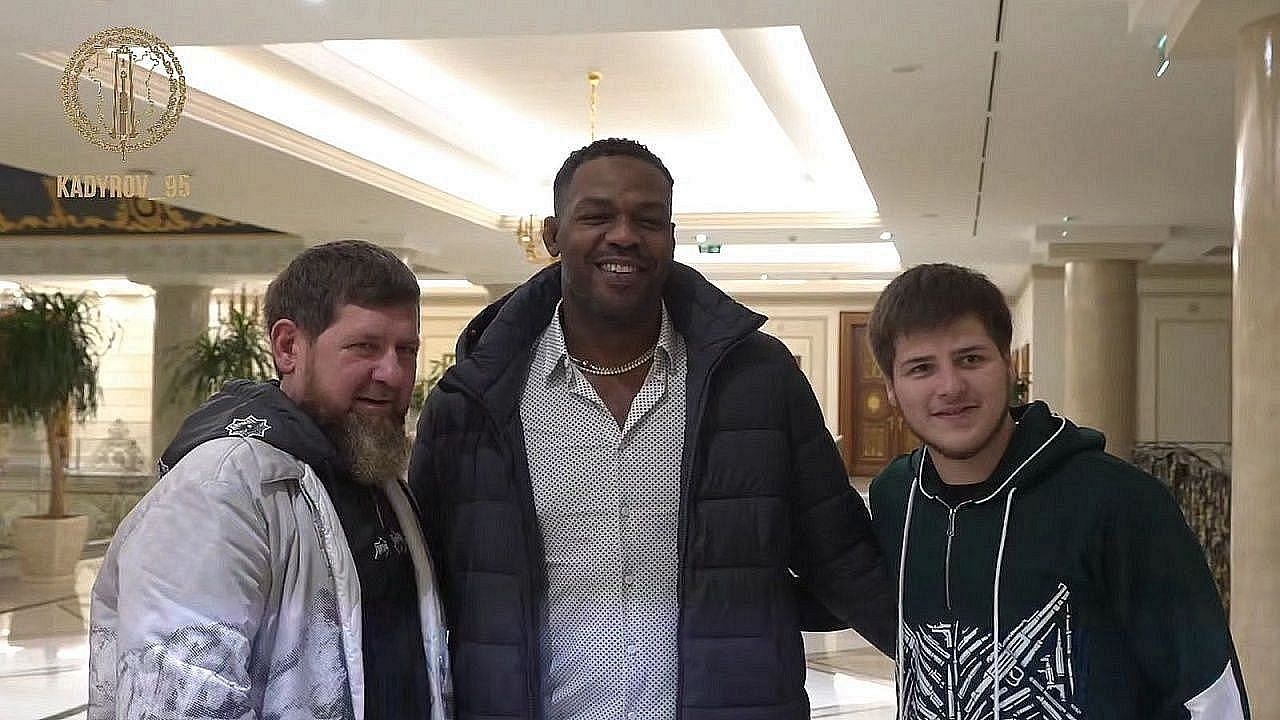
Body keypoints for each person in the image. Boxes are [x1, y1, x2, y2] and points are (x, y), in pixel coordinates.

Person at [409, 137, 895, 720]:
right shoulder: (470, 403)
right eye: (596, 216)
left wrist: (965, 668)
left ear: (671, 236)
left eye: (647, 220)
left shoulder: (759, 381)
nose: (623, 235)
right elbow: (424, 591)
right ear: (553, 235)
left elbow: (841, 559)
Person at [867, 262, 1249, 719]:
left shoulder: (1119, 502)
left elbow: (1208, 694)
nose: (950, 386)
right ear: (891, 389)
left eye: (970, 359)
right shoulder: (896, 498)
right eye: (921, 368)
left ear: (1008, 365)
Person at [88, 239, 450, 720]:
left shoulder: (376, 478)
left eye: (406, 350)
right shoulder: (220, 491)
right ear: (288, 347)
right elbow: (179, 704)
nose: (392, 372)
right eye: (365, 347)